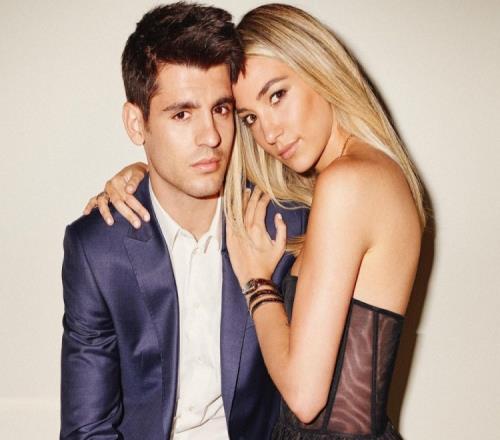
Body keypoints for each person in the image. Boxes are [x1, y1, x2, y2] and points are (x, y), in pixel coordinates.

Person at [89, 4, 425, 439]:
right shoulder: (370, 174)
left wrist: (256, 283)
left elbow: (304, 396)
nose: (268, 133)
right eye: (249, 117)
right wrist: (142, 174)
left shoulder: (347, 183)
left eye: (277, 95)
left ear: (319, 68)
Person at [61, 3, 308, 439]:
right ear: (136, 123)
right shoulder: (98, 249)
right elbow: (88, 427)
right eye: (181, 114)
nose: (210, 136)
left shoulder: (283, 225)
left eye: (222, 109)